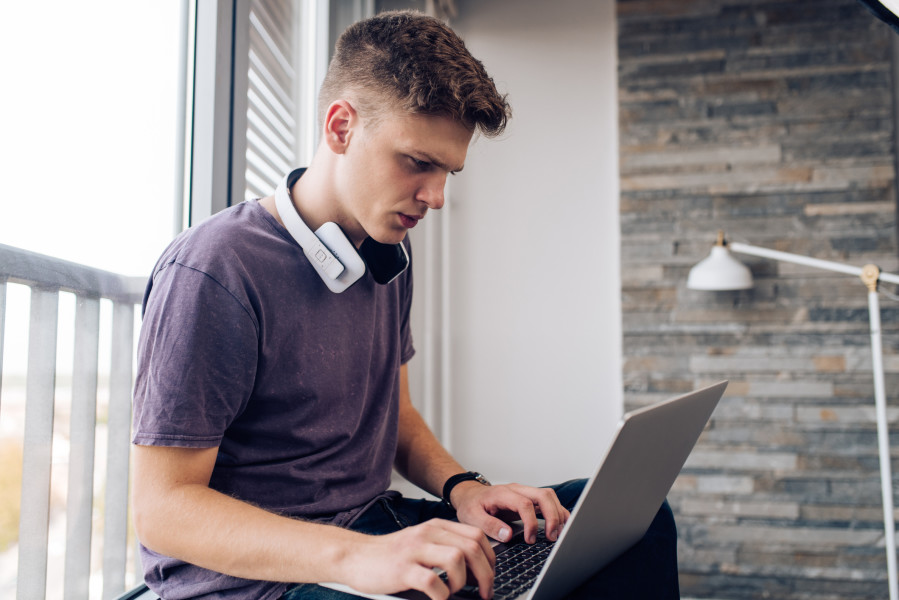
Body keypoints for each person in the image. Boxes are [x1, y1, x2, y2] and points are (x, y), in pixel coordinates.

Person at [131, 10, 679, 600]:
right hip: (259, 581)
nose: (437, 197)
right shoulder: (215, 268)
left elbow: (397, 415)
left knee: (637, 520)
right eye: (418, 162)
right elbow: (164, 510)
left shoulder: (385, 248)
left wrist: (464, 490)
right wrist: (358, 558)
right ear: (340, 127)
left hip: (371, 526)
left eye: (447, 170)